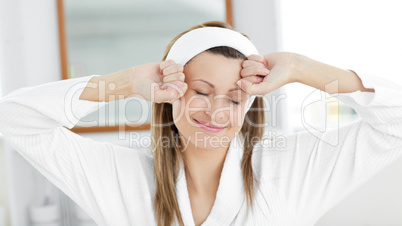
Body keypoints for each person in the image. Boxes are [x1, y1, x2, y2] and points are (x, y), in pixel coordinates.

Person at [0, 21, 401, 226]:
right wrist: (123, 84)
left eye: (234, 97)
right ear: (170, 91)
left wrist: (303, 68)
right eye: (202, 91)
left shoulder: (290, 170)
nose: (217, 112)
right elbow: (14, 118)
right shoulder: (122, 178)